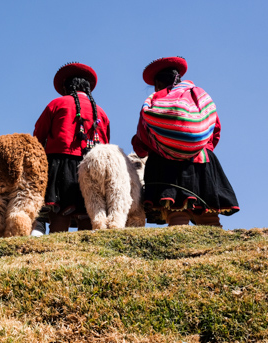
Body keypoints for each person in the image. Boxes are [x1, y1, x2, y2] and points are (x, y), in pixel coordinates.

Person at [131, 56, 239, 226]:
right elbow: (215, 128)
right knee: (208, 217)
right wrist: (197, 148)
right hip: (202, 160)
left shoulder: (155, 101)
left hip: (165, 164)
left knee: (176, 214)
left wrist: (151, 150)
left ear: (158, 83)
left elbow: (142, 139)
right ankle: (216, 247)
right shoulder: (197, 95)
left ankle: (181, 249)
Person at [33, 62, 110, 233]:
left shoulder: (57, 104)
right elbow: (105, 145)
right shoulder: (101, 113)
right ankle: (86, 252)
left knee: (60, 212)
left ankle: (56, 251)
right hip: (92, 166)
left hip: (60, 164)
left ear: (67, 88)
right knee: (88, 212)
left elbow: (38, 135)